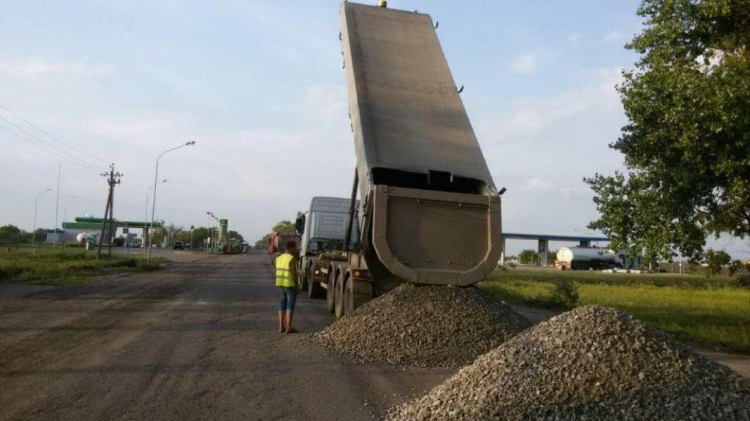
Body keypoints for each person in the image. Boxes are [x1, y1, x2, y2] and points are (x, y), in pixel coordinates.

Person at [275, 240, 300, 334]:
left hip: (280, 284)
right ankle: (288, 327)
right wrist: (297, 285)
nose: (296, 249)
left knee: (282, 305)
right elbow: (294, 274)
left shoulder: (279, 258)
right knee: (290, 305)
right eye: (295, 248)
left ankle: (281, 326)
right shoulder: (291, 259)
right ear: (291, 248)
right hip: (290, 285)